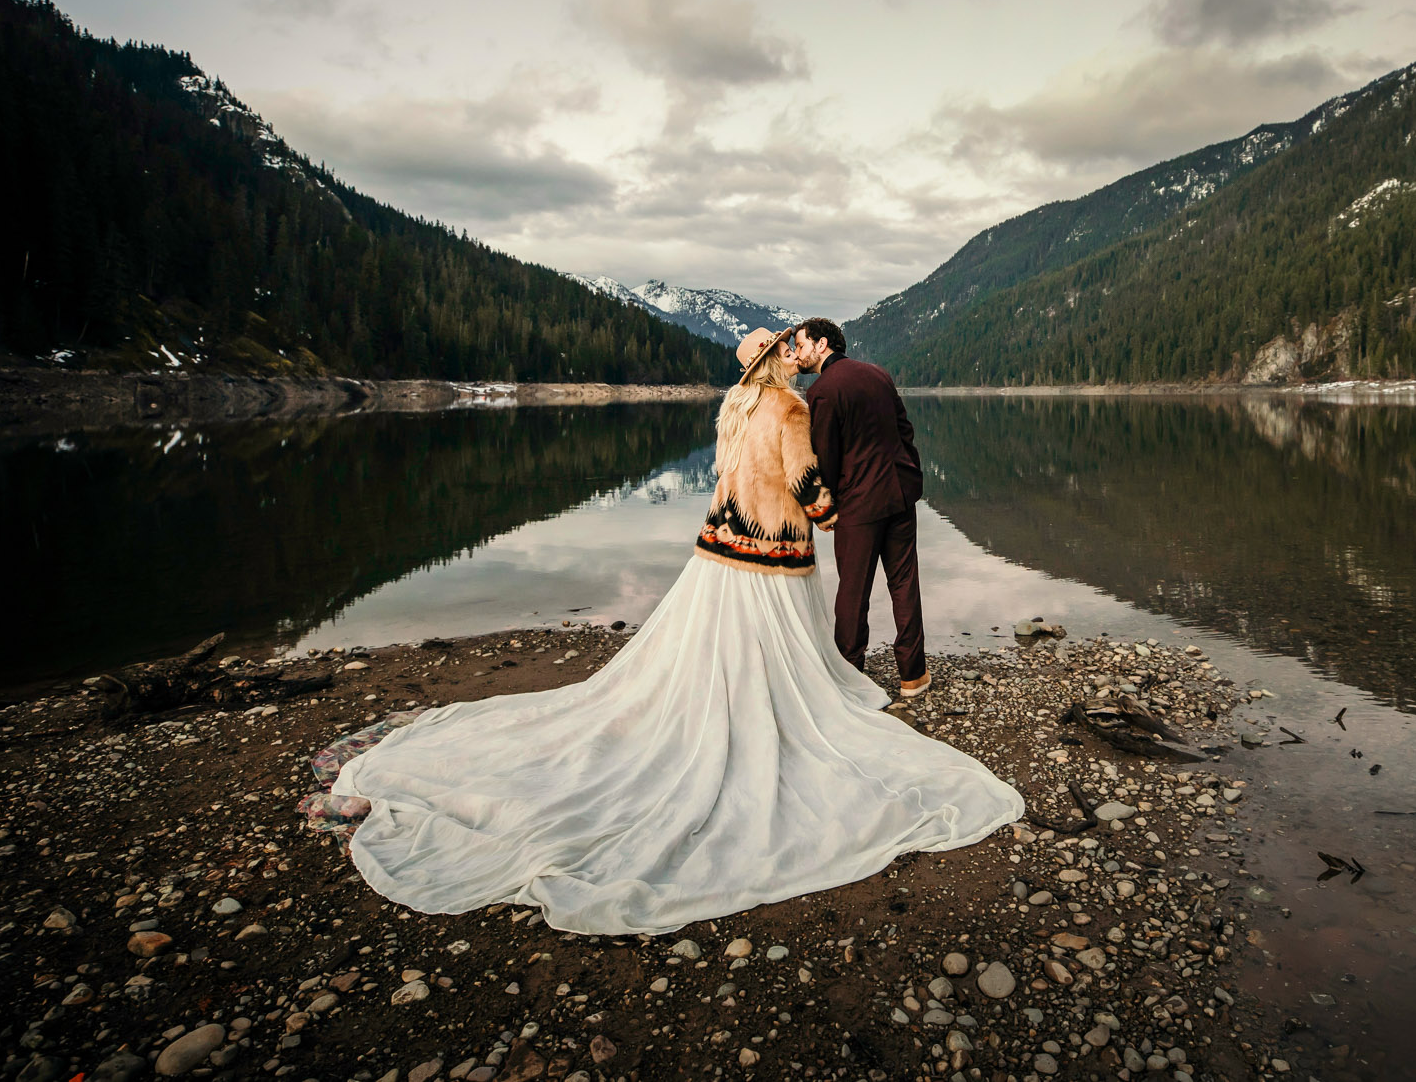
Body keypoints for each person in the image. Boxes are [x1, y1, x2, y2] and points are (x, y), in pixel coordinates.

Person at [329, 326, 1022, 936]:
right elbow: (806, 480)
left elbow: (733, 474)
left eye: (789, 343)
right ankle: (871, 679)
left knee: (718, 643)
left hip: (720, 552)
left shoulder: (735, 405)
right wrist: (833, 514)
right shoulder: (786, 405)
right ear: (771, 364)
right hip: (775, 553)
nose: (789, 351)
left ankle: (750, 696)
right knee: (783, 643)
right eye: (780, 347)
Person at [790, 317, 931, 699]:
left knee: (853, 590)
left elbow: (826, 454)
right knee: (904, 583)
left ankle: (849, 673)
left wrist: (826, 503)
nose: (797, 355)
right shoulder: (878, 374)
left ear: (822, 345)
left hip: (859, 504)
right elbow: (905, 431)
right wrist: (911, 473)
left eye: (800, 346)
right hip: (900, 494)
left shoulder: (822, 390)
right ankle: (912, 675)